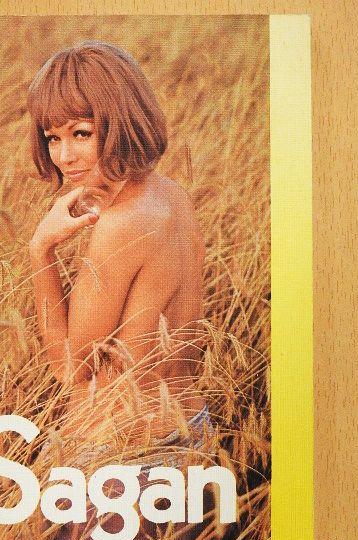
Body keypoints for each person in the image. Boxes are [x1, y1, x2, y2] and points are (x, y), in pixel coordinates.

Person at [27, 40, 210, 444]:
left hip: (123, 454)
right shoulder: (173, 195)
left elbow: (70, 370)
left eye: (81, 133)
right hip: (191, 430)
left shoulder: (121, 225)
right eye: (52, 138)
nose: (64, 156)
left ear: (122, 122)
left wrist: (41, 249)